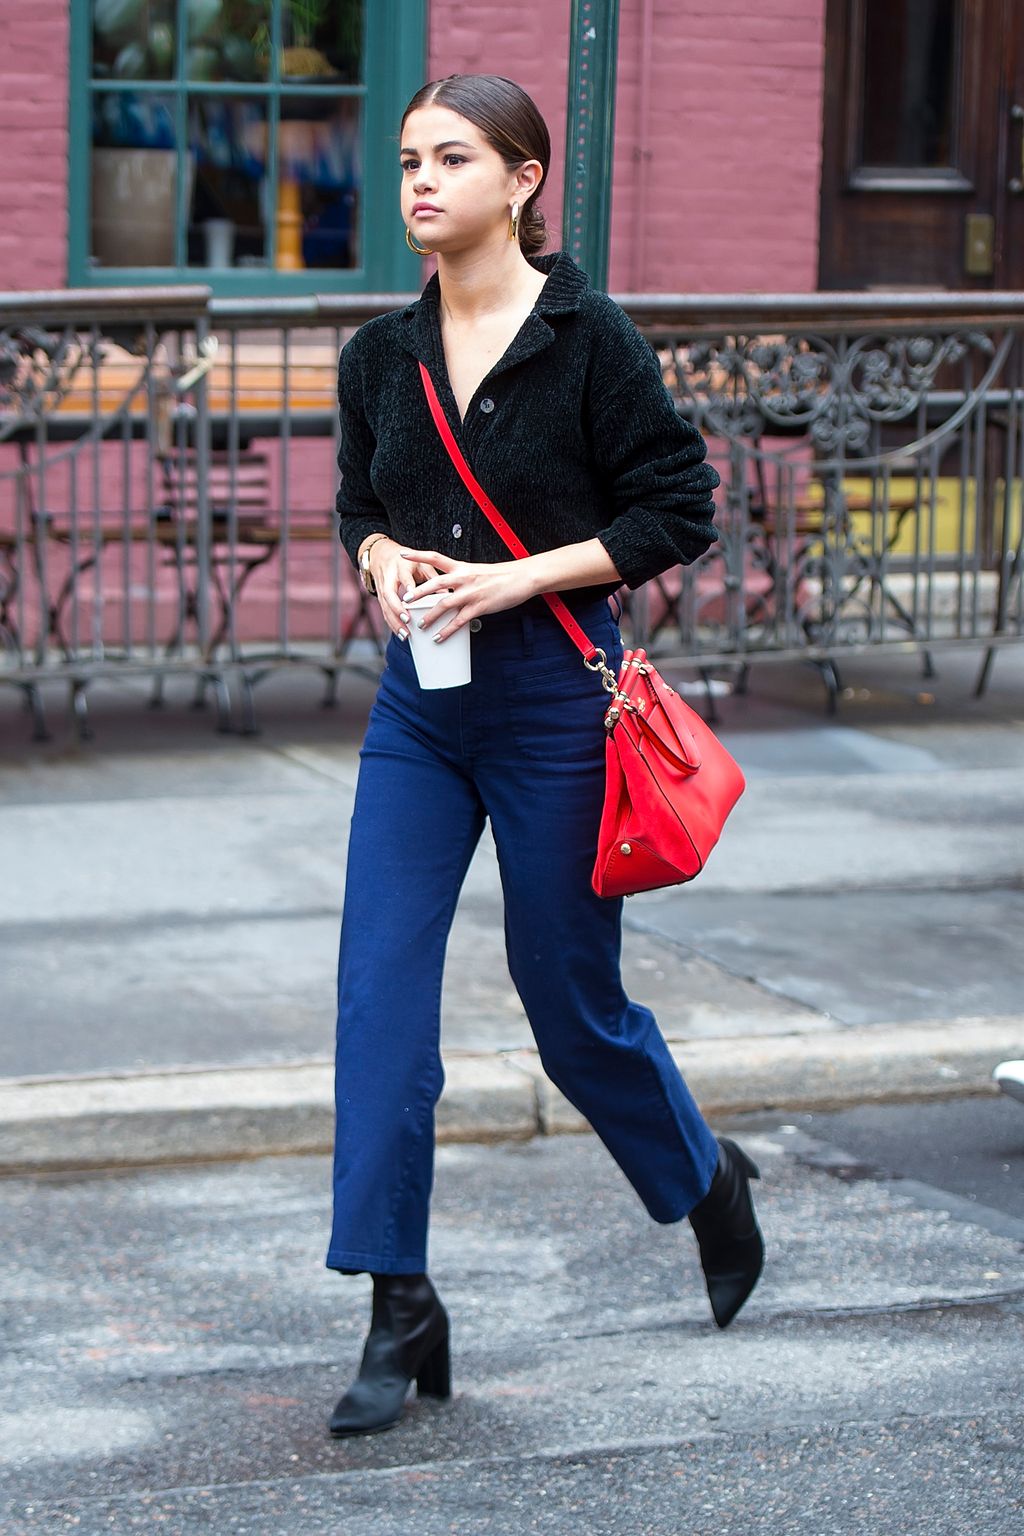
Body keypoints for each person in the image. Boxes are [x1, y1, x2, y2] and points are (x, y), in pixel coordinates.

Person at [324, 72, 765, 1439]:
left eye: (450, 158)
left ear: (522, 179)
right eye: (406, 160)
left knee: (566, 1002)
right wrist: (383, 556)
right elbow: (360, 501)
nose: (418, 183)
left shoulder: (588, 339)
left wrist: (516, 583)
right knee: (376, 1001)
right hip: (420, 710)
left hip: (556, 707)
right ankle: (397, 1299)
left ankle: (706, 1178)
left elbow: (674, 510)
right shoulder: (378, 354)